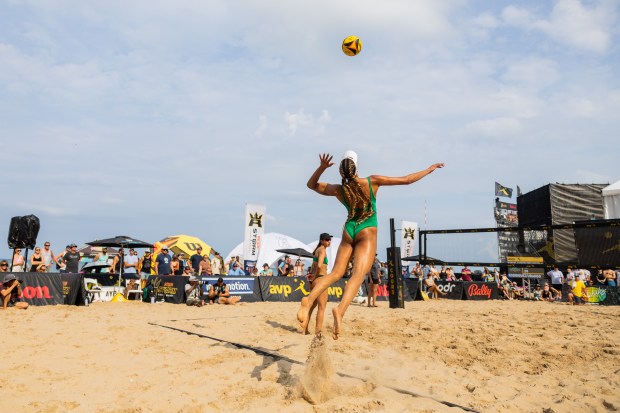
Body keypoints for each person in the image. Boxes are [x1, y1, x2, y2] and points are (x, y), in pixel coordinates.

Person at [297, 151, 444, 339]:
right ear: (356, 168)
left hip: (349, 229)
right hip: (367, 230)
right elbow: (407, 180)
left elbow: (311, 185)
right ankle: (340, 311)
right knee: (358, 275)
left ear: (341, 172)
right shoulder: (371, 181)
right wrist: (429, 170)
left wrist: (322, 168)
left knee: (335, 273)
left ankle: (308, 300)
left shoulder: (339, 190)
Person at [304, 232, 332, 336]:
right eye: (327, 240)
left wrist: (311, 275)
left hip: (315, 281)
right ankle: (318, 332)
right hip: (320, 279)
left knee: (311, 306)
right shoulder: (322, 250)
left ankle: (304, 329)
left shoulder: (317, 250)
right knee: (322, 307)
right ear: (322, 240)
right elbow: (320, 265)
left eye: (329, 240)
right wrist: (315, 276)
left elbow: (313, 265)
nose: (329, 242)